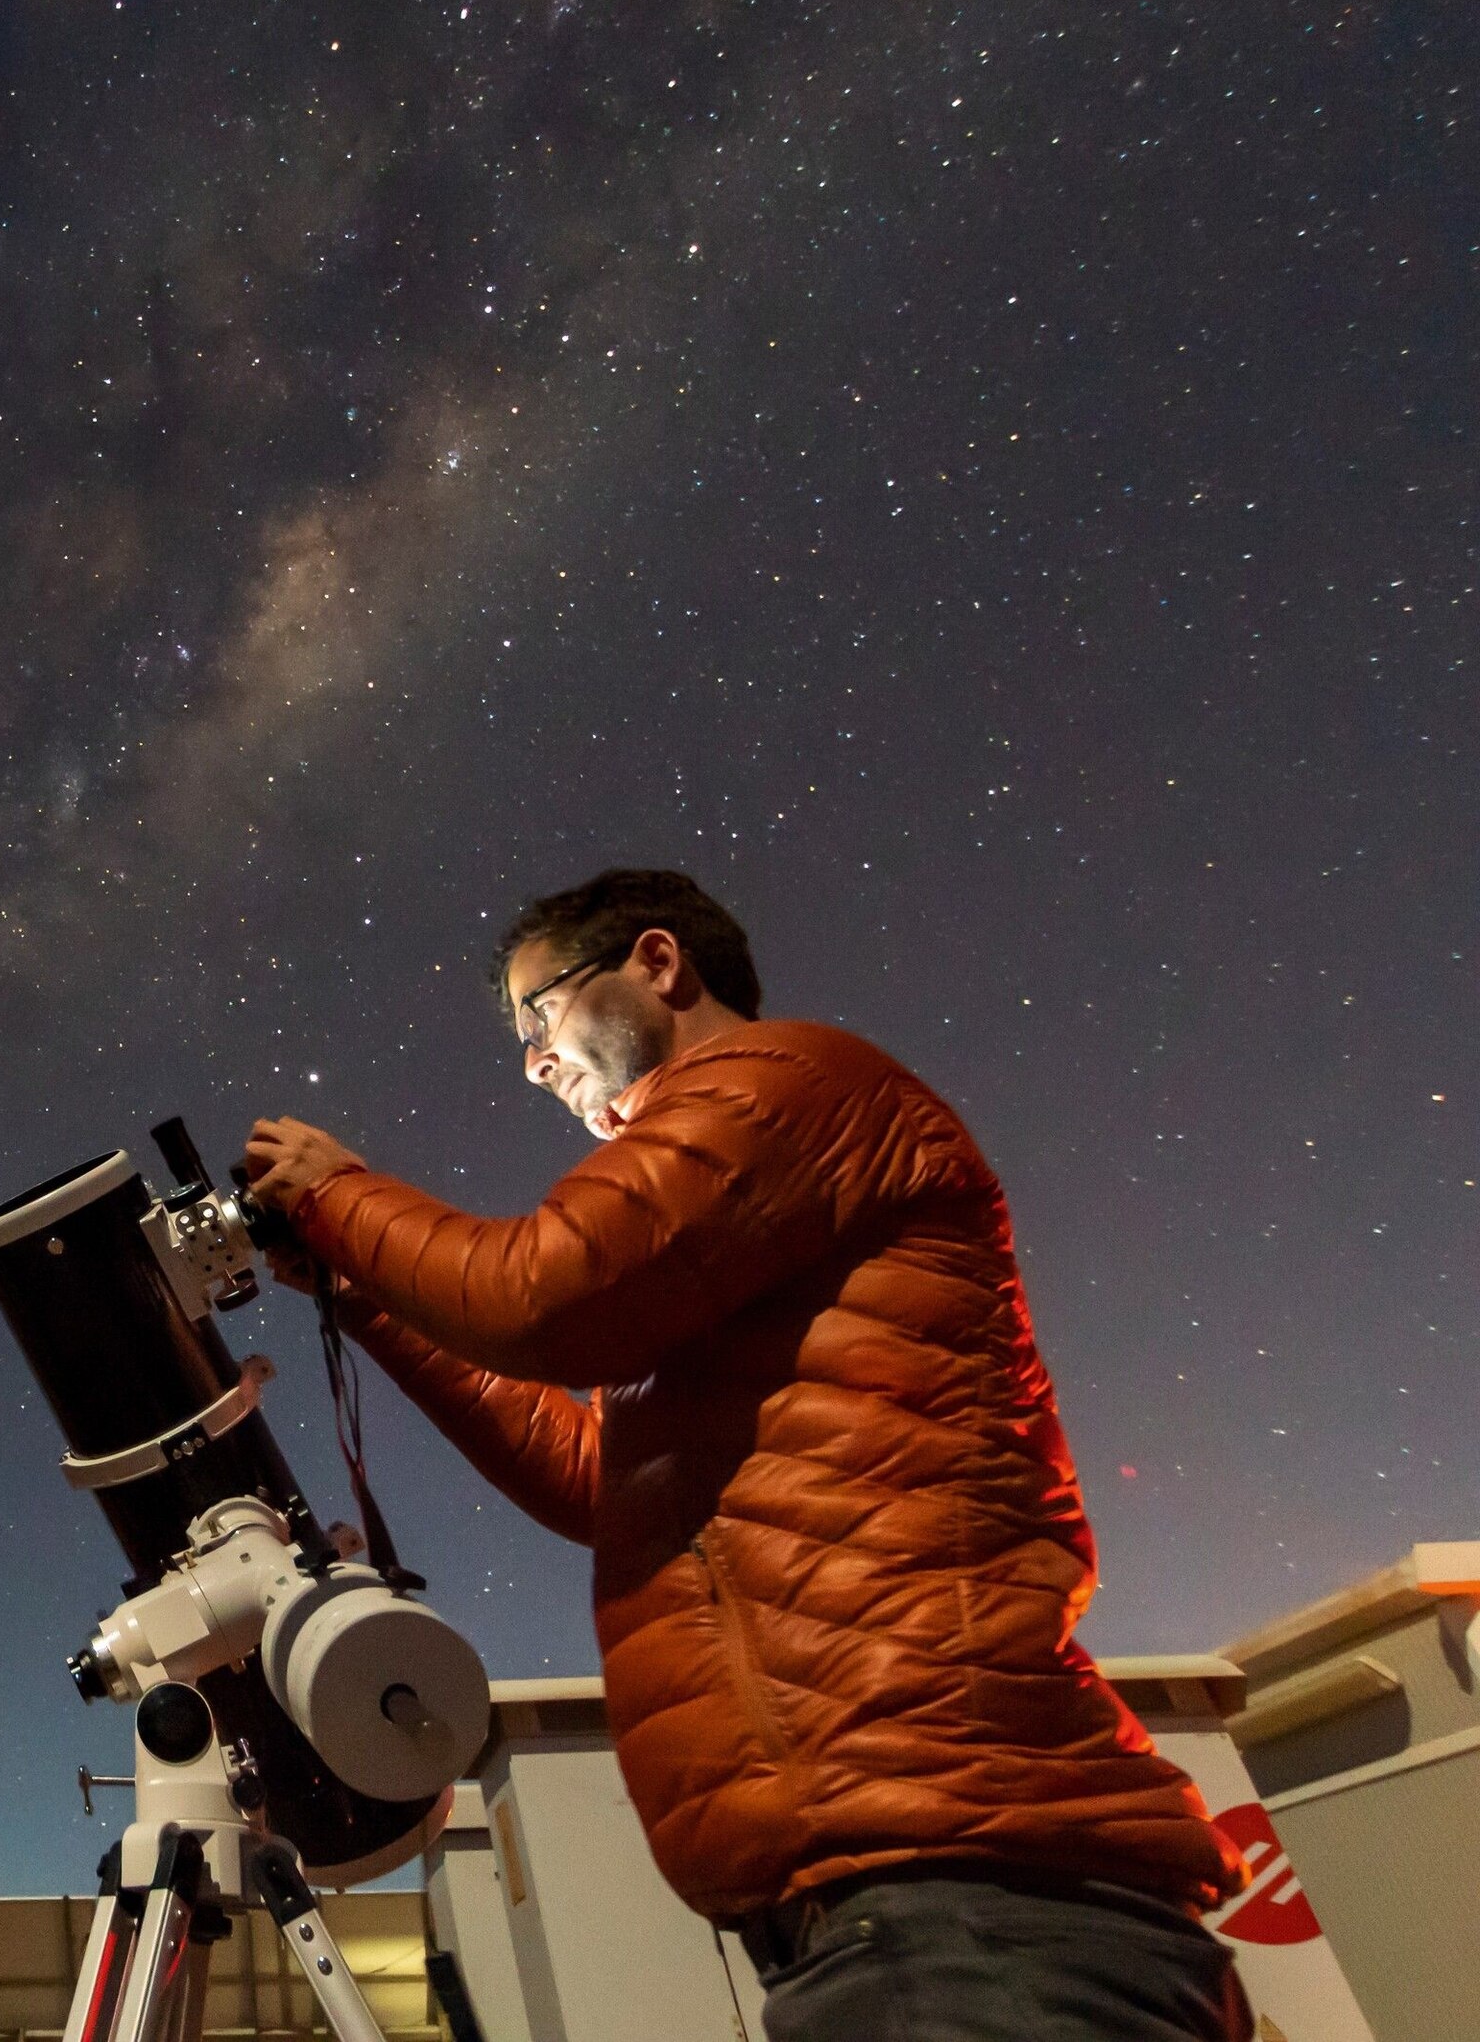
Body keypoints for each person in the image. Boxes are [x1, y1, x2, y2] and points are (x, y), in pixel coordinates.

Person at [239, 868, 1254, 2042]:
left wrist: (337, 1192)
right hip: (899, 1910)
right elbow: (599, 1474)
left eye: (540, 1013)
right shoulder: (726, 1215)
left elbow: (537, 1292)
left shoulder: (782, 1086)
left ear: (658, 965)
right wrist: (370, 1297)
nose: (531, 1059)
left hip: (972, 1905)